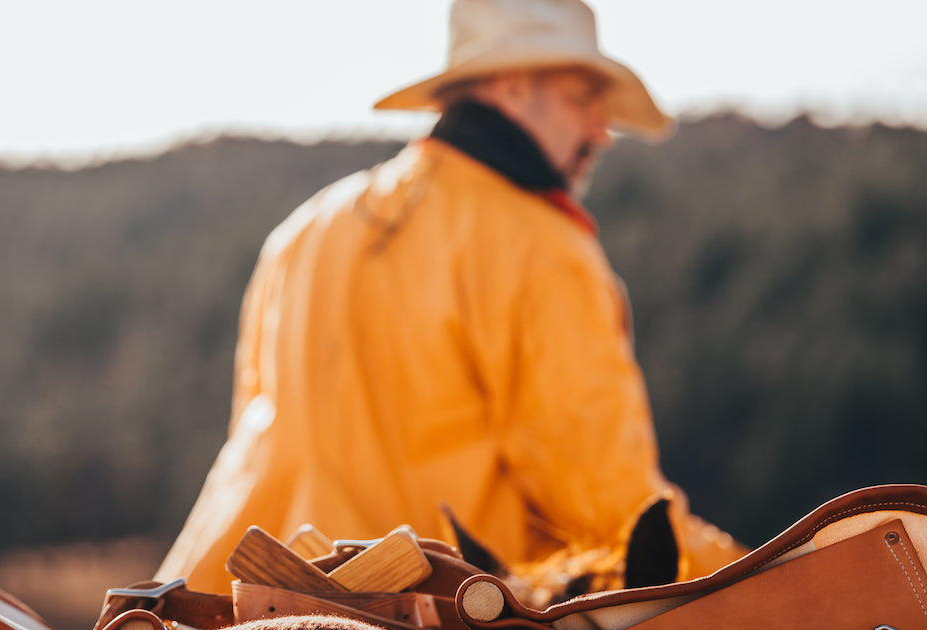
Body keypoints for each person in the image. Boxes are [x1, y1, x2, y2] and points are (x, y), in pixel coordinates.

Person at [156, 0, 748, 597]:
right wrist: (750, 575)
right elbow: (610, 503)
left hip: (262, 606)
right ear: (513, 85)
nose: (602, 131)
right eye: (583, 99)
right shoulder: (542, 247)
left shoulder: (307, 229)